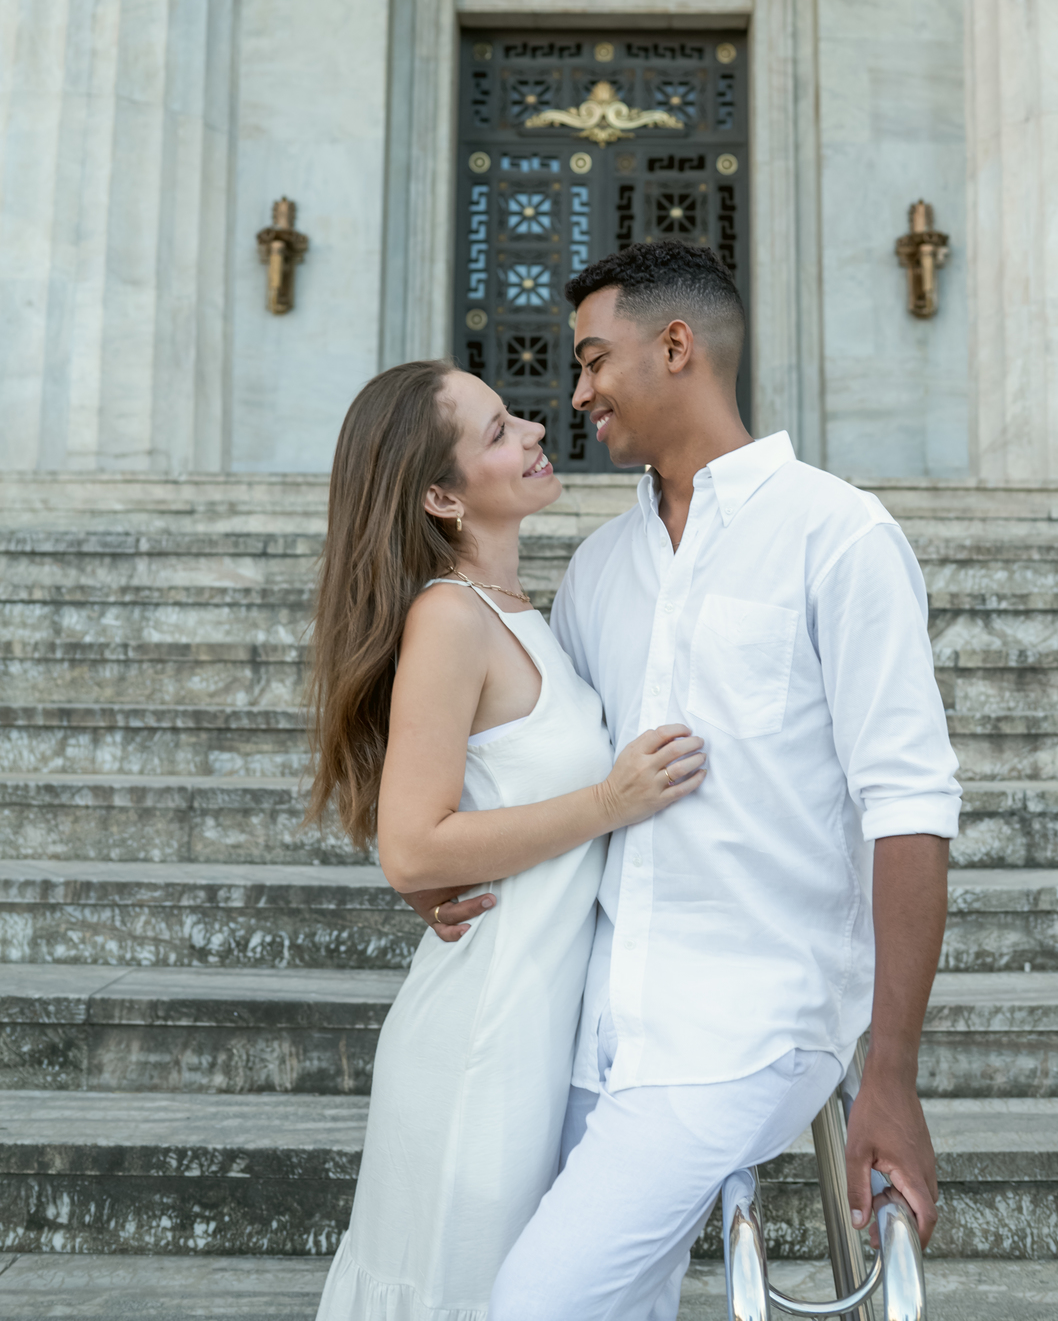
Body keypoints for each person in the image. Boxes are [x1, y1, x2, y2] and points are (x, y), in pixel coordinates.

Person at [480, 240, 963, 1321]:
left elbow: (910, 810)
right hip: (590, 1026)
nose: (579, 392)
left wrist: (890, 1072)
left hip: (750, 1023)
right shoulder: (601, 568)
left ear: (679, 346)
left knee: (530, 1307)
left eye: (597, 359)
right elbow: (553, 771)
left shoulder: (838, 536)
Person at [305, 359, 707, 1321]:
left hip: (543, 1033)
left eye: (514, 416)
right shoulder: (449, 618)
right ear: (442, 496)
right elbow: (412, 847)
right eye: (495, 432)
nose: (533, 431)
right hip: (482, 1044)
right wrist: (610, 801)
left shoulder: (529, 614)